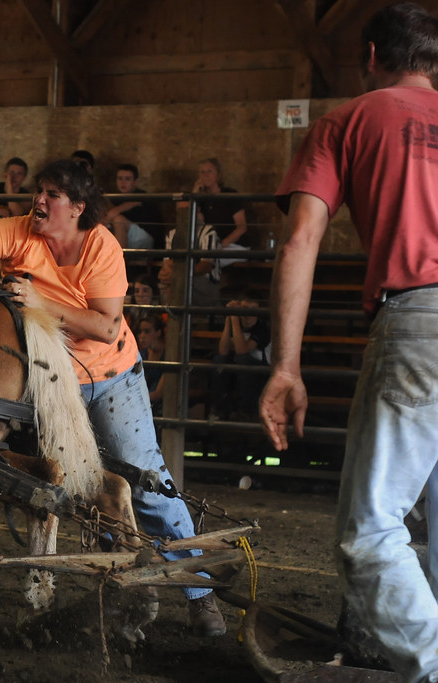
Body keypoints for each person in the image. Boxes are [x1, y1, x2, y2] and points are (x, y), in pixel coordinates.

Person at [0, 159, 226, 637]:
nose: (38, 200)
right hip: (45, 381)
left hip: (107, 377)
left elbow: (107, 326)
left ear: (78, 208)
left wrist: (42, 304)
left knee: (145, 481)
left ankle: (200, 593)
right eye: (40, 190)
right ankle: (122, 587)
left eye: (52, 194)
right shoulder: (19, 230)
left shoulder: (100, 246)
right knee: (89, 487)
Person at [259, 5, 438, 681]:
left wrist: (286, 364)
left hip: (420, 317)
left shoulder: (350, 119)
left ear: (372, 55)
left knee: (368, 530)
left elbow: (302, 238)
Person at [211, 291, 269, 420]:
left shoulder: (262, 328)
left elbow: (242, 350)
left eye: (253, 311)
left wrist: (235, 319)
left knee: (242, 359)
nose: (248, 315)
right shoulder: (236, 323)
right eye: (244, 310)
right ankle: (221, 409)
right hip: (236, 368)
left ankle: (245, 411)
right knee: (219, 360)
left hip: (259, 370)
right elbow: (223, 350)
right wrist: (229, 318)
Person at [162, 212, 222, 308]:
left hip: (205, 285)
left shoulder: (208, 231)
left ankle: (174, 314)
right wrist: (170, 274)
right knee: (164, 281)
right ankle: (172, 315)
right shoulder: (172, 233)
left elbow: (207, 265)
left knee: (177, 284)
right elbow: (167, 263)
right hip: (177, 280)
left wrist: (179, 275)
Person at [188, 158, 249, 248]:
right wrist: (194, 196)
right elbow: (194, 223)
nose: (206, 175)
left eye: (210, 171)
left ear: (218, 175)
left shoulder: (230, 194)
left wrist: (222, 244)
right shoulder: (200, 199)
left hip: (231, 245)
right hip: (208, 246)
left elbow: (242, 227)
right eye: (202, 172)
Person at [104, 164, 163, 250]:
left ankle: (120, 259)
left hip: (146, 239)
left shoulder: (141, 196)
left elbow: (115, 212)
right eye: (120, 178)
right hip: (129, 237)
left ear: (135, 182)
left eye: (127, 179)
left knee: (118, 220)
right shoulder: (115, 198)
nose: (122, 182)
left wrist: (105, 220)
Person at [136, 314, 167, 415]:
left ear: (158, 333)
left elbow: (159, 393)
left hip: (159, 402)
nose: (142, 336)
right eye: (140, 332)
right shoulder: (142, 354)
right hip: (144, 398)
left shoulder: (168, 355)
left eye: (147, 331)